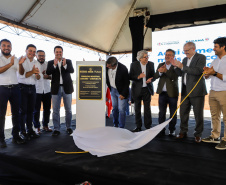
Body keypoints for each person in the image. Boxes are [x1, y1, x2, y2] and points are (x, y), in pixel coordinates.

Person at [171, 42, 207, 143]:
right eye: (184, 51)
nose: (185, 53)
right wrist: (175, 66)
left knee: (198, 114)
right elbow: (180, 74)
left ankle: (198, 134)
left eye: (187, 51)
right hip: (184, 90)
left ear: (193, 49)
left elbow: (197, 71)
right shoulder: (184, 59)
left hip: (197, 90)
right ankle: (183, 131)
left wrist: (182, 66)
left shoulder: (201, 57)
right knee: (183, 113)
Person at [0, 39, 26, 148]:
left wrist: (19, 64)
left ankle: (16, 136)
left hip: (15, 88)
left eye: (9, 46)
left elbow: (21, 72)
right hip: (2, 89)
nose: (7, 47)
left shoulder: (15, 59)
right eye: (4, 45)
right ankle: (1, 139)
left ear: (11, 47)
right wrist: (10, 63)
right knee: (1, 115)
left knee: (17, 114)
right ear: (1, 47)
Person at [202, 37, 226, 150]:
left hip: (224, 92)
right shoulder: (215, 60)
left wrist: (214, 73)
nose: (213, 49)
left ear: (223, 47)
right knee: (214, 116)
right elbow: (210, 75)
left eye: (216, 47)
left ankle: (225, 140)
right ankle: (215, 136)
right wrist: (207, 74)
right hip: (213, 91)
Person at [46, 46, 74, 136]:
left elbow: (72, 70)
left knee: (68, 110)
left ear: (62, 52)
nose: (59, 53)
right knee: (55, 110)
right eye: (57, 52)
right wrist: (54, 65)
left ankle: (69, 127)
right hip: (55, 89)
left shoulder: (68, 61)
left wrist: (65, 65)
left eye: (60, 52)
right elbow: (48, 72)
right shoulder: (50, 62)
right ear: (54, 52)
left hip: (67, 88)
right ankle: (56, 129)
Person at [18, 44, 41, 140]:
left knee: (31, 111)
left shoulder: (37, 62)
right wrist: (32, 72)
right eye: (30, 50)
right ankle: (22, 131)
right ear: (26, 50)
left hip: (33, 88)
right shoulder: (21, 60)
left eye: (34, 51)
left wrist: (37, 74)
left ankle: (30, 130)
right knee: (23, 111)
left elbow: (38, 78)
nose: (32, 53)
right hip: (22, 88)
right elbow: (22, 75)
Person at [154, 49, 179, 136]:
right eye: (166, 54)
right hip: (162, 93)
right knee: (161, 113)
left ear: (173, 56)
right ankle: (161, 129)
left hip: (172, 93)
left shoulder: (176, 65)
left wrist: (165, 71)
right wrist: (160, 72)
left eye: (169, 55)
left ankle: (172, 130)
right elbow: (156, 75)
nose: (167, 56)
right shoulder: (161, 64)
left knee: (173, 113)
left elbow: (175, 77)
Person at [129, 50, 155, 132]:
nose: (147, 58)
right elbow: (130, 76)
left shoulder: (151, 64)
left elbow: (153, 76)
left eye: (147, 56)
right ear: (140, 58)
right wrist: (138, 77)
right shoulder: (133, 65)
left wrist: (151, 80)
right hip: (137, 89)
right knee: (137, 109)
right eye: (145, 57)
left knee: (147, 109)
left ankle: (148, 126)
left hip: (147, 89)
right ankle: (138, 126)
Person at [106, 56, 129, 128]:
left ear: (114, 65)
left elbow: (126, 83)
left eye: (109, 66)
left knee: (121, 110)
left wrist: (123, 94)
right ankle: (115, 124)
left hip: (121, 91)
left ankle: (121, 127)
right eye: (107, 65)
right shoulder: (107, 67)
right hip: (113, 90)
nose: (107, 67)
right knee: (115, 108)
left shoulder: (123, 69)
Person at [33, 50, 52, 134]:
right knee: (36, 110)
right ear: (36, 56)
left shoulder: (48, 64)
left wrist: (47, 76)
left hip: (47, 90)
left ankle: (45, 125)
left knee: (47, 109)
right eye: (40, 55)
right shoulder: (33, 64)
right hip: (37, 90)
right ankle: (37, 127)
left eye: (43, 55)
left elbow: (53, 77)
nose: (41, 57)